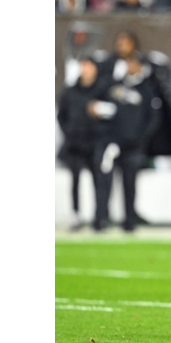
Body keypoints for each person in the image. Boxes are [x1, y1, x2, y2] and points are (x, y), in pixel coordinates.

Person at [89, 52, 161, 232]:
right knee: (103, 183)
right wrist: (96, 110)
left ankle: (130, 221)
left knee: (130, 185)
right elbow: (93, 103)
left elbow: (153, 119)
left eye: (133, 62)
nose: (129, 65)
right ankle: (101, 219)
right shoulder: (112, 84)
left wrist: (139, 138)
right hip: (110, 144)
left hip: (132, 146)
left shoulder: (147, 89)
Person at [57, 57, 107, 230]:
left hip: (95, 143)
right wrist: (69, 132)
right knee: (75, 181)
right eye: (83, 65)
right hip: (75, 144)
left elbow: (112, 112)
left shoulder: (102, 90)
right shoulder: (70, 91)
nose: (85, 69)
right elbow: (61, 115)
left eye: (88, 65)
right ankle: (75, 215)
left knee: (99, 181)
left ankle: (99, 217)